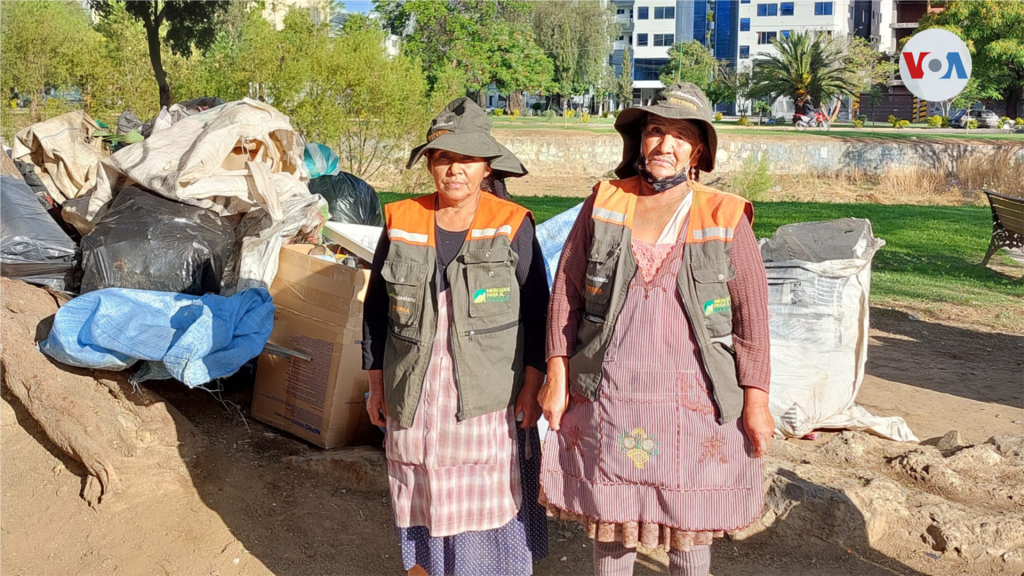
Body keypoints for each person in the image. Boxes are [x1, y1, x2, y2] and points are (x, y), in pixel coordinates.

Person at [537, 83, 774, 576]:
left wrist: (756, 401)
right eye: (655, 131)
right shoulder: (605, 202)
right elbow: (566, 295)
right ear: (640, 141)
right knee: (613, 526)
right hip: (611, 396)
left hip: (693, 404)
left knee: (687, 528)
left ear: (699, 150)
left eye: (680, 136)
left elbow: (752, 319)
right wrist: (556, 376)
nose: (665, 145)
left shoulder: (724, 215)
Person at [363, 98, 550, 576]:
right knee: (418, 498)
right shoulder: (400, 220)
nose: (454, 171)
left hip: (485, 405)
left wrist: (533, 385)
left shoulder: (512, 223)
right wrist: (377, 384)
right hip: (415, 400)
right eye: (444, 158)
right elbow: (378, 312)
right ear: (430, 164)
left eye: (466, 160)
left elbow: (538, 310)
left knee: (488, 511)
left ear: (486, 166)